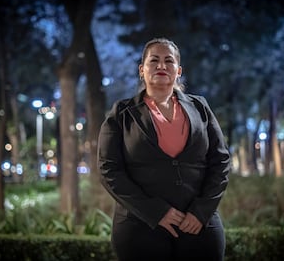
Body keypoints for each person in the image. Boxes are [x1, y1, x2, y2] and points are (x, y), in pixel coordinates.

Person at [97, 37, 231, 261]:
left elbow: (221, 161)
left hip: (199, 226)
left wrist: (200, 212)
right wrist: (156, 212)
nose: (161, 66)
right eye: (154, 60)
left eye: (169, 61)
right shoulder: (121, 113)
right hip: (140, 228)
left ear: (178, 70)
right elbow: (108, 169)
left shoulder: (200, 107)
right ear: (142, 69)